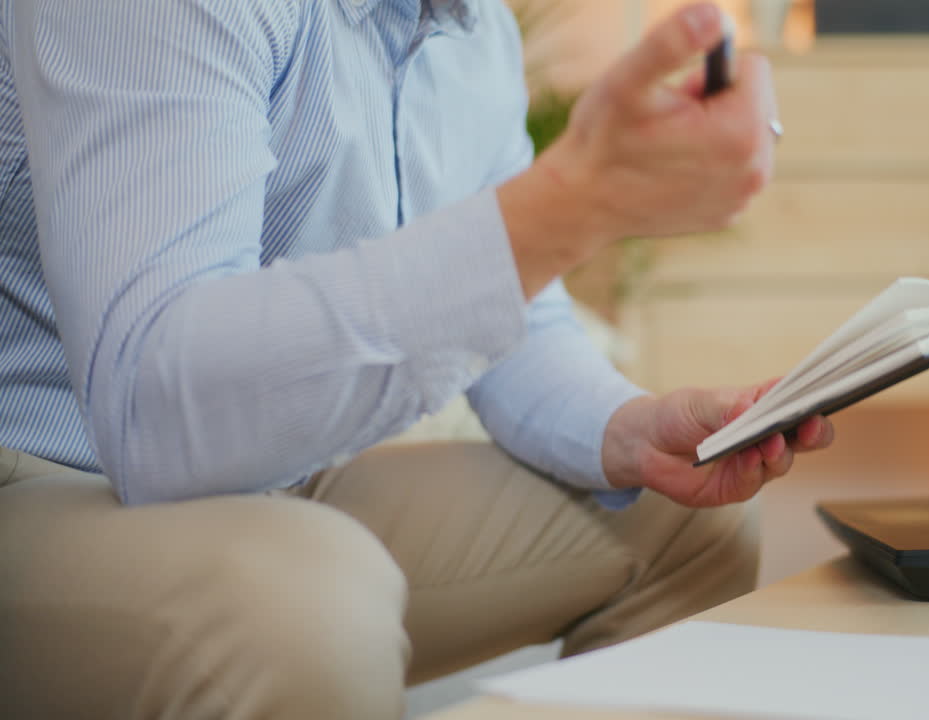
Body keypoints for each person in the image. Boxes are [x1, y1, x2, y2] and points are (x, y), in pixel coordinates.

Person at [0, 0, 834, 717]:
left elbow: (517, 321)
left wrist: (628, 428)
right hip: (45, 481)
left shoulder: (474, 35)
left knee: (688, 510)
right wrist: (573, 207)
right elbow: (153, 414)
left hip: (276, 474)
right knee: (307, 598)